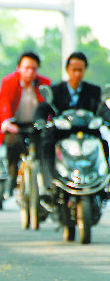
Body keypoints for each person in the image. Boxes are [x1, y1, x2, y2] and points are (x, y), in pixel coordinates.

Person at [35, 52, 104, 190]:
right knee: (47, 144)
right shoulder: (55, 91)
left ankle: (103, 183)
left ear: (85, 70)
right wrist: (40, 120)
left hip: (87, 132)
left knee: (104, 143)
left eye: (80, 70)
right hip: (61, 133)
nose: (77, 74)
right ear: (67, 70)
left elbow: (102, 109)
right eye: (74, 70)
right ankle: (49, 184)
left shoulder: (94, 91)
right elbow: (43, 108)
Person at [0, 52, 51, 195]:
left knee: (45, 147)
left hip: (36, 125)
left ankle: (47, 184)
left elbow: (49, 105)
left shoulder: (44, 84)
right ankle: (12, 176)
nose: (30, 72)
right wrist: (7, 122)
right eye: (26, 68)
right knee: (13, 143)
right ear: (18, 68)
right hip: (15, 125)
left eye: (34, 68)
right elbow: (4, 103)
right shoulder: (9, 82)